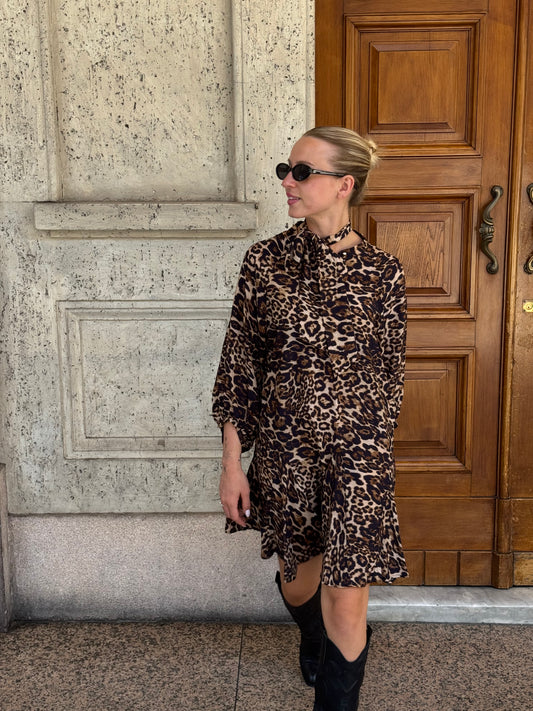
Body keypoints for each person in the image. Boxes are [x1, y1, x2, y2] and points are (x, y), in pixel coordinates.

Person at [212, 126, 408, 711]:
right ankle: (313, 636)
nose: (287, 182)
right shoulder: (265, 262)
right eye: (286, 169)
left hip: (357, 458)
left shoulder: (384, 272)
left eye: (302, 172)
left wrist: (371, 458)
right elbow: (240, 366)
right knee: (299, 583)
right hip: (285, 453)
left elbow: (389, 377)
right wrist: (233, 464)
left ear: (344, 184)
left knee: (346, 598)